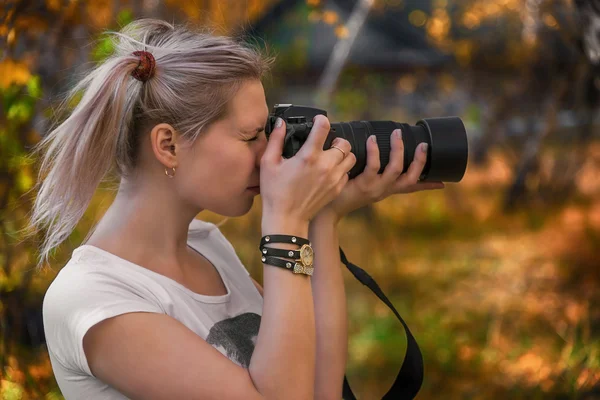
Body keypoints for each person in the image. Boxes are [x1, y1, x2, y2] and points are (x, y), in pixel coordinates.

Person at [29, 19, 444, 400]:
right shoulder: (93, 299)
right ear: (168, 146)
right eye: (251, 138)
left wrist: (323, 218)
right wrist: (286, 223)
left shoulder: (209, 248)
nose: (269, 156)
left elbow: (322, 388)